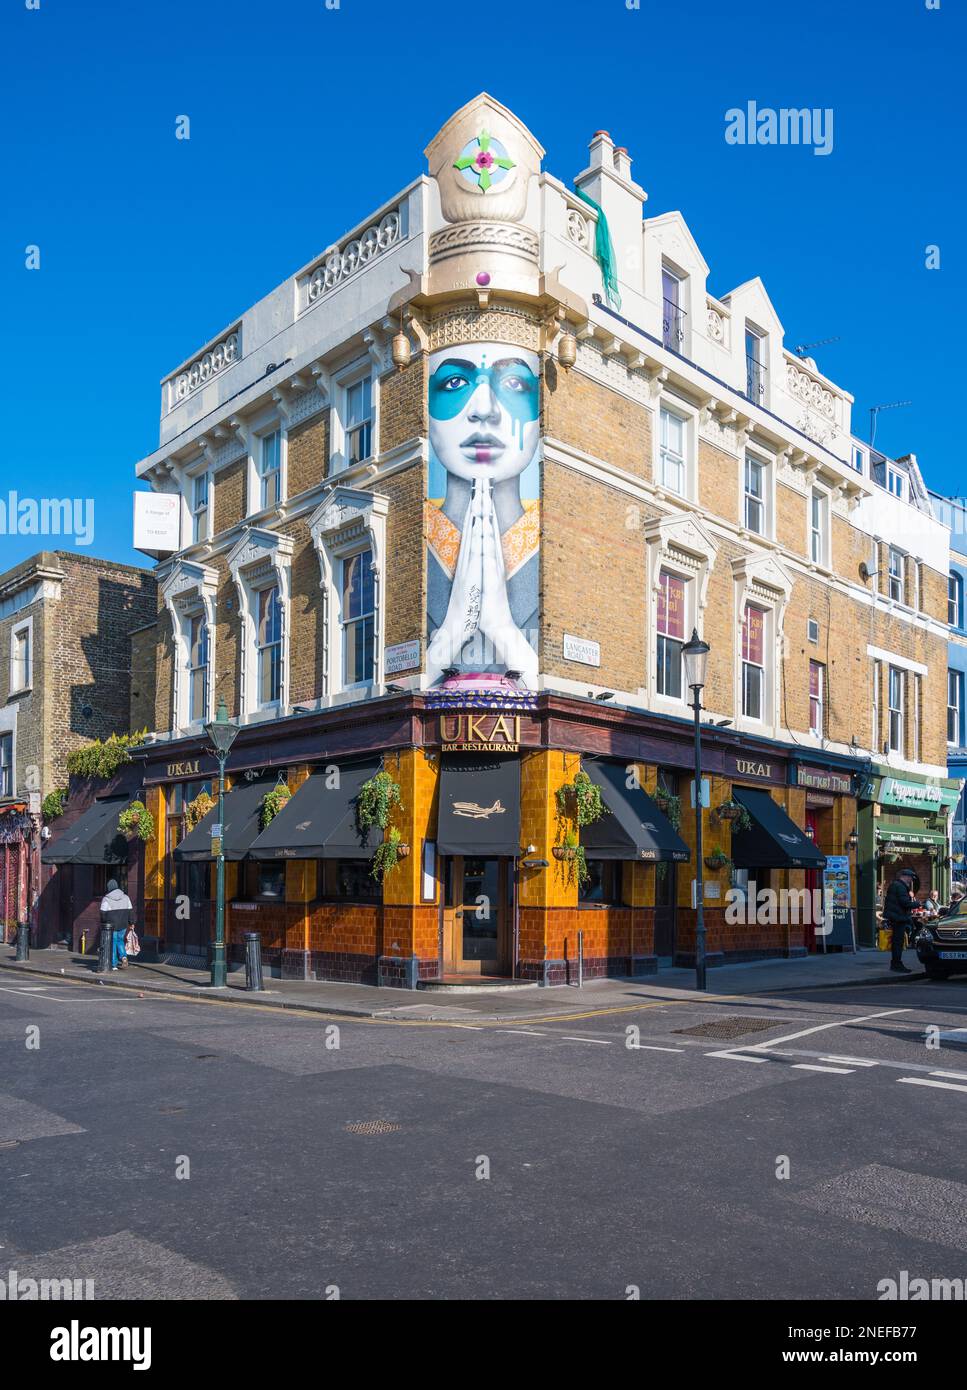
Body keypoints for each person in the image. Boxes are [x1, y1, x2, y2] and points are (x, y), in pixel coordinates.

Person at [882, 868, 918, 973]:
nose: (911, 880)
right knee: (898, 941)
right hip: (898, 917)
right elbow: (905, 903)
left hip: (896, 916)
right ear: (905, 876)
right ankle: (896, 964)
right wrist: (918, 904)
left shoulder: (896, 885)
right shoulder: (900, 886)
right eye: (911, 877)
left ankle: (896, 963)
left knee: (897, 941)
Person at [99, 878, 134, 972]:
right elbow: (130, 911)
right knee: (120, 940)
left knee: (113, 943)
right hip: (123, 924)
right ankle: (124, 957)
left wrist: (104, 923)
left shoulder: (106, 899)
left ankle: (114, 964)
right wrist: (131, 922)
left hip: (111, 925)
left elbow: (102, 913)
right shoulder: (126, 897)